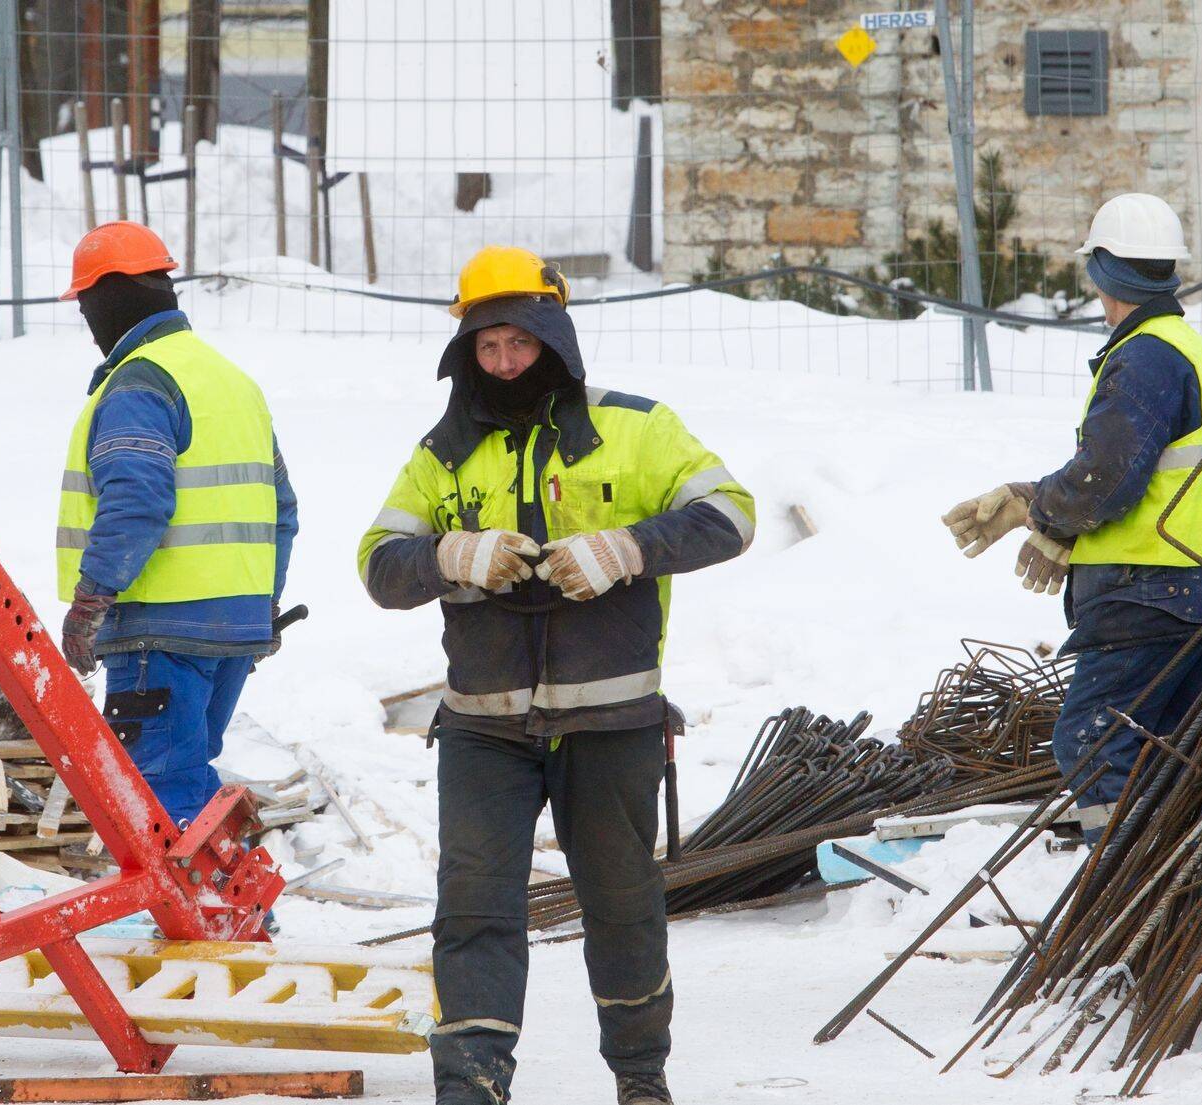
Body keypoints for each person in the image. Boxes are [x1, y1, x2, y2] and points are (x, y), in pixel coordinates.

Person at [357, 246, 754, 1105]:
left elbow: (731, 517)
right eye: (486, 347)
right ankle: (470, 1085)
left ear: (555, 337)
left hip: (611, 726)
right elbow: (380, 565)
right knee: (473, 911)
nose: (503, 362)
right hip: (482, 730)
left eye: (519, 344)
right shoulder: (443, 455)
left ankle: (642, 1075)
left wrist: (628, 547)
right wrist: (450, 552)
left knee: (622, 906)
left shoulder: (639, 428)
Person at [941, 193, 1202, 837]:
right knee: (1167, 754)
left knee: (1095, 742)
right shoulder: (1189, 350)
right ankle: (1175, 889)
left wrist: (1043, 514)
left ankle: (1119, 885)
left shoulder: (1143, 356)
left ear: (1101, 271)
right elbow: (1139, 468)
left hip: (1148, 593)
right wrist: (1034, 501)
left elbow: (1106, 480)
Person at [55, 221, 298, 827]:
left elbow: (137, 498)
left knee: (161, 797)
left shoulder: (139, 383)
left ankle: (216, 917)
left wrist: (92, 599)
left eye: (86, 304)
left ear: (104, 298)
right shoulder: (230, 381)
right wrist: (261, 602)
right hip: (232, 628)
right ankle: (226, 911)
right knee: (186, 776)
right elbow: (282, 510)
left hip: (157, 629)